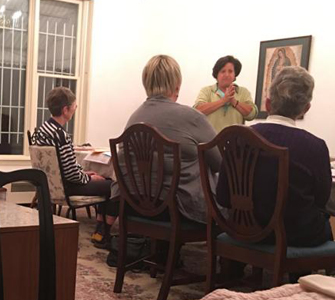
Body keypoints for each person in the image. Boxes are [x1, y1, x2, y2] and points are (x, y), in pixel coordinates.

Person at [217, 66, 331, 247]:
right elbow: (321, 199)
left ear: (268, 104)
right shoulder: (315, 147)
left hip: (240, 227)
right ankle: (302, 275)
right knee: (323, 223)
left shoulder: (237, 138)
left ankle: (235, 269)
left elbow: (223, 196)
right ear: (305, 109)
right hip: (293, 234)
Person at [117, 55, 222, 225]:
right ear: (177, 85)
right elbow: (220, 163)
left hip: (136, 204)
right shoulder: (192, 117)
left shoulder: (134, 119)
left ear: (146, 83)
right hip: (181, 209)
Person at [31, 86, 116, 246]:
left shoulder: (43, 130)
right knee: (112, 185)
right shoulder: (61, 135)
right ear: (65, 110)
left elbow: (63, 166)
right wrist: (89, 178)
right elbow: (71, 174)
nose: (75, 109)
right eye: (75, 106)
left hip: (51, 187)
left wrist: (85, 173)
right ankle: (101, 232)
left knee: (101, 180)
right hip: (69, 187)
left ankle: (100, 229)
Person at [194, 55, 258, 132]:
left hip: (235, 142)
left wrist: (234, 101)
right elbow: (197, 111)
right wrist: (224, 100)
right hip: (210, 142)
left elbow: (251, 114)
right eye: (223, 71)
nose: (226, 75)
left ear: (235, 75)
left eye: (230, 71)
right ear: (216, 75)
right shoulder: (207, 91)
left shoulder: (243, 92)